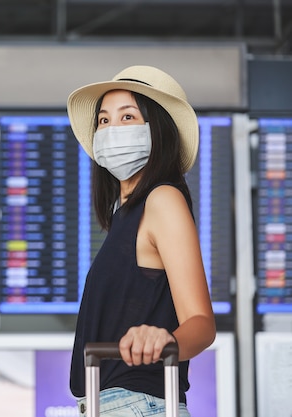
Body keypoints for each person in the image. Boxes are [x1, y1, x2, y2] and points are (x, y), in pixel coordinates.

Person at [66, 65, 216, 416]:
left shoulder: (162, 200)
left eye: (128, 116)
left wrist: (167, 340)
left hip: (138, 404)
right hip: (107, 404)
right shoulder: (124, 214)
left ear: (158, 131)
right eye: (103, 121)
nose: (111, 129)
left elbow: (201, 323)